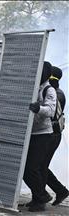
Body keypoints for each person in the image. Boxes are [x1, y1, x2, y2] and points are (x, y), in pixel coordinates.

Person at [24, 61, 56, 212]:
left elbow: (50, 111)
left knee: (33, 168)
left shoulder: (49, 90)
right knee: (25, 169)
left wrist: (38, 108)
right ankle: (37, 198)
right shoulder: (33, 86)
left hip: (43, 135)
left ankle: (41, 198)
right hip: (31, 133)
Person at [44, 66, 68, 206]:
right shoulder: (56, 92)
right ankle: (42, 194)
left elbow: (50, 113)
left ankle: (58, 191)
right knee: (40, 166)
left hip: (52, 135)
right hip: (51, 135)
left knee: (39, 166)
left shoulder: (56, 93)